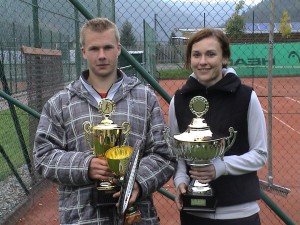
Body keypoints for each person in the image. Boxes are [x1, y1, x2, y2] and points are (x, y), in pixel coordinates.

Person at [33, 17, 175, 225]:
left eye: (108, 47)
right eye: (94, 49)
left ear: (119, 49)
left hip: (137, 218)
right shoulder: (60, 103)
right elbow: (42, 156)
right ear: (83, 52)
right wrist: (85, 165)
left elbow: (164, 155)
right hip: (81, 219)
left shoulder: (144, 98)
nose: (101, 55)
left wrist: (135, 182)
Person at [168, 28, 267, 225]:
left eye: (211, 54)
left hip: (239, 214)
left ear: (225, 58)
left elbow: (260, 154)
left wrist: (221, 167)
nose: (203, 61)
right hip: (194, 214)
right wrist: (180, 181)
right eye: (196, 55)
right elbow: (178, 155)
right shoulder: (178, 100)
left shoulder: (247, 97)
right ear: (190, 60)